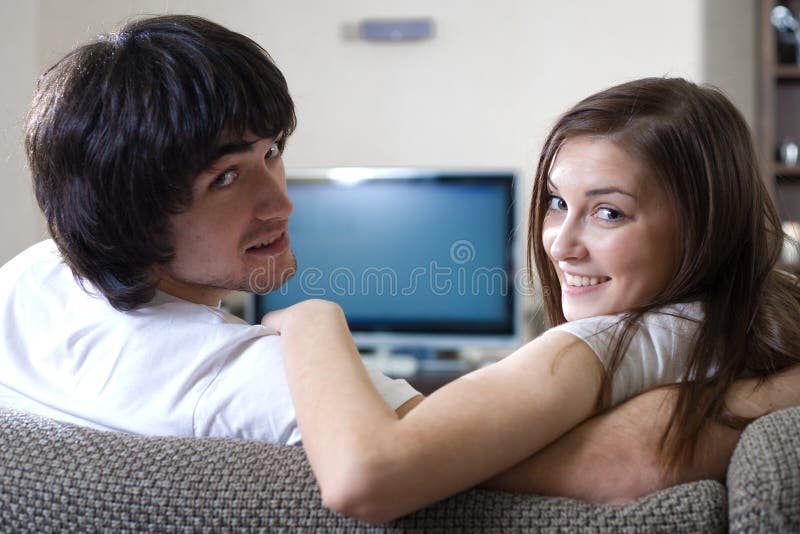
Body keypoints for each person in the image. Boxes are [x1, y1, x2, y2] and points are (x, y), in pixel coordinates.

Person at [263, 77, 800, 523]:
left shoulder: (592, 347)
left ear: (704, 226)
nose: (560, 244)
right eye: (557, 202)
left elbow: (363, 479)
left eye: (608, 212)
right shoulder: (752, 319)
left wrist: (312, 315)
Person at [0, 14, 421, 443]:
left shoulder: (27, 279)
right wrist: (317, 321)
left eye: (272, 151)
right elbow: (435, 459)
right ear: (128, 215)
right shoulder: (256, 376)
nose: (282, 204)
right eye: (224, 177)